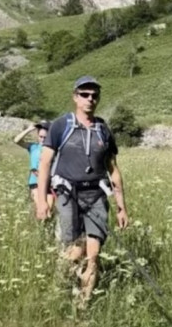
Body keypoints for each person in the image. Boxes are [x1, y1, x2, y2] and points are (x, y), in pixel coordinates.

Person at [36, 76, 128, 302]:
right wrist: (41, 201)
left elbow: (113, 169)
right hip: (68, 195)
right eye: (85, 95)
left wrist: (121, 207)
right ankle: (58, 292)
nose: (90, 99)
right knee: (74, 252)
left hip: (96, 196)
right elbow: (45, 163)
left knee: (94, 255)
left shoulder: (103, 129)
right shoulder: (61, 125)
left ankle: (83, 306)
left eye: (94, 95)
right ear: (75, 97)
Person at [13, 120, 55, 212]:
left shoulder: (52, 149)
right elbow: (17, 140)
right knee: (40, 207)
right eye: (40, 137)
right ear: (37, 136)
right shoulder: (33, 147)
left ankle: (46, 225)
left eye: (45, 137)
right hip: (35, 182)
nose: (42, 140)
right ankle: (41, 224)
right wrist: (29, 129)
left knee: (49, 209)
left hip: (49, 182)